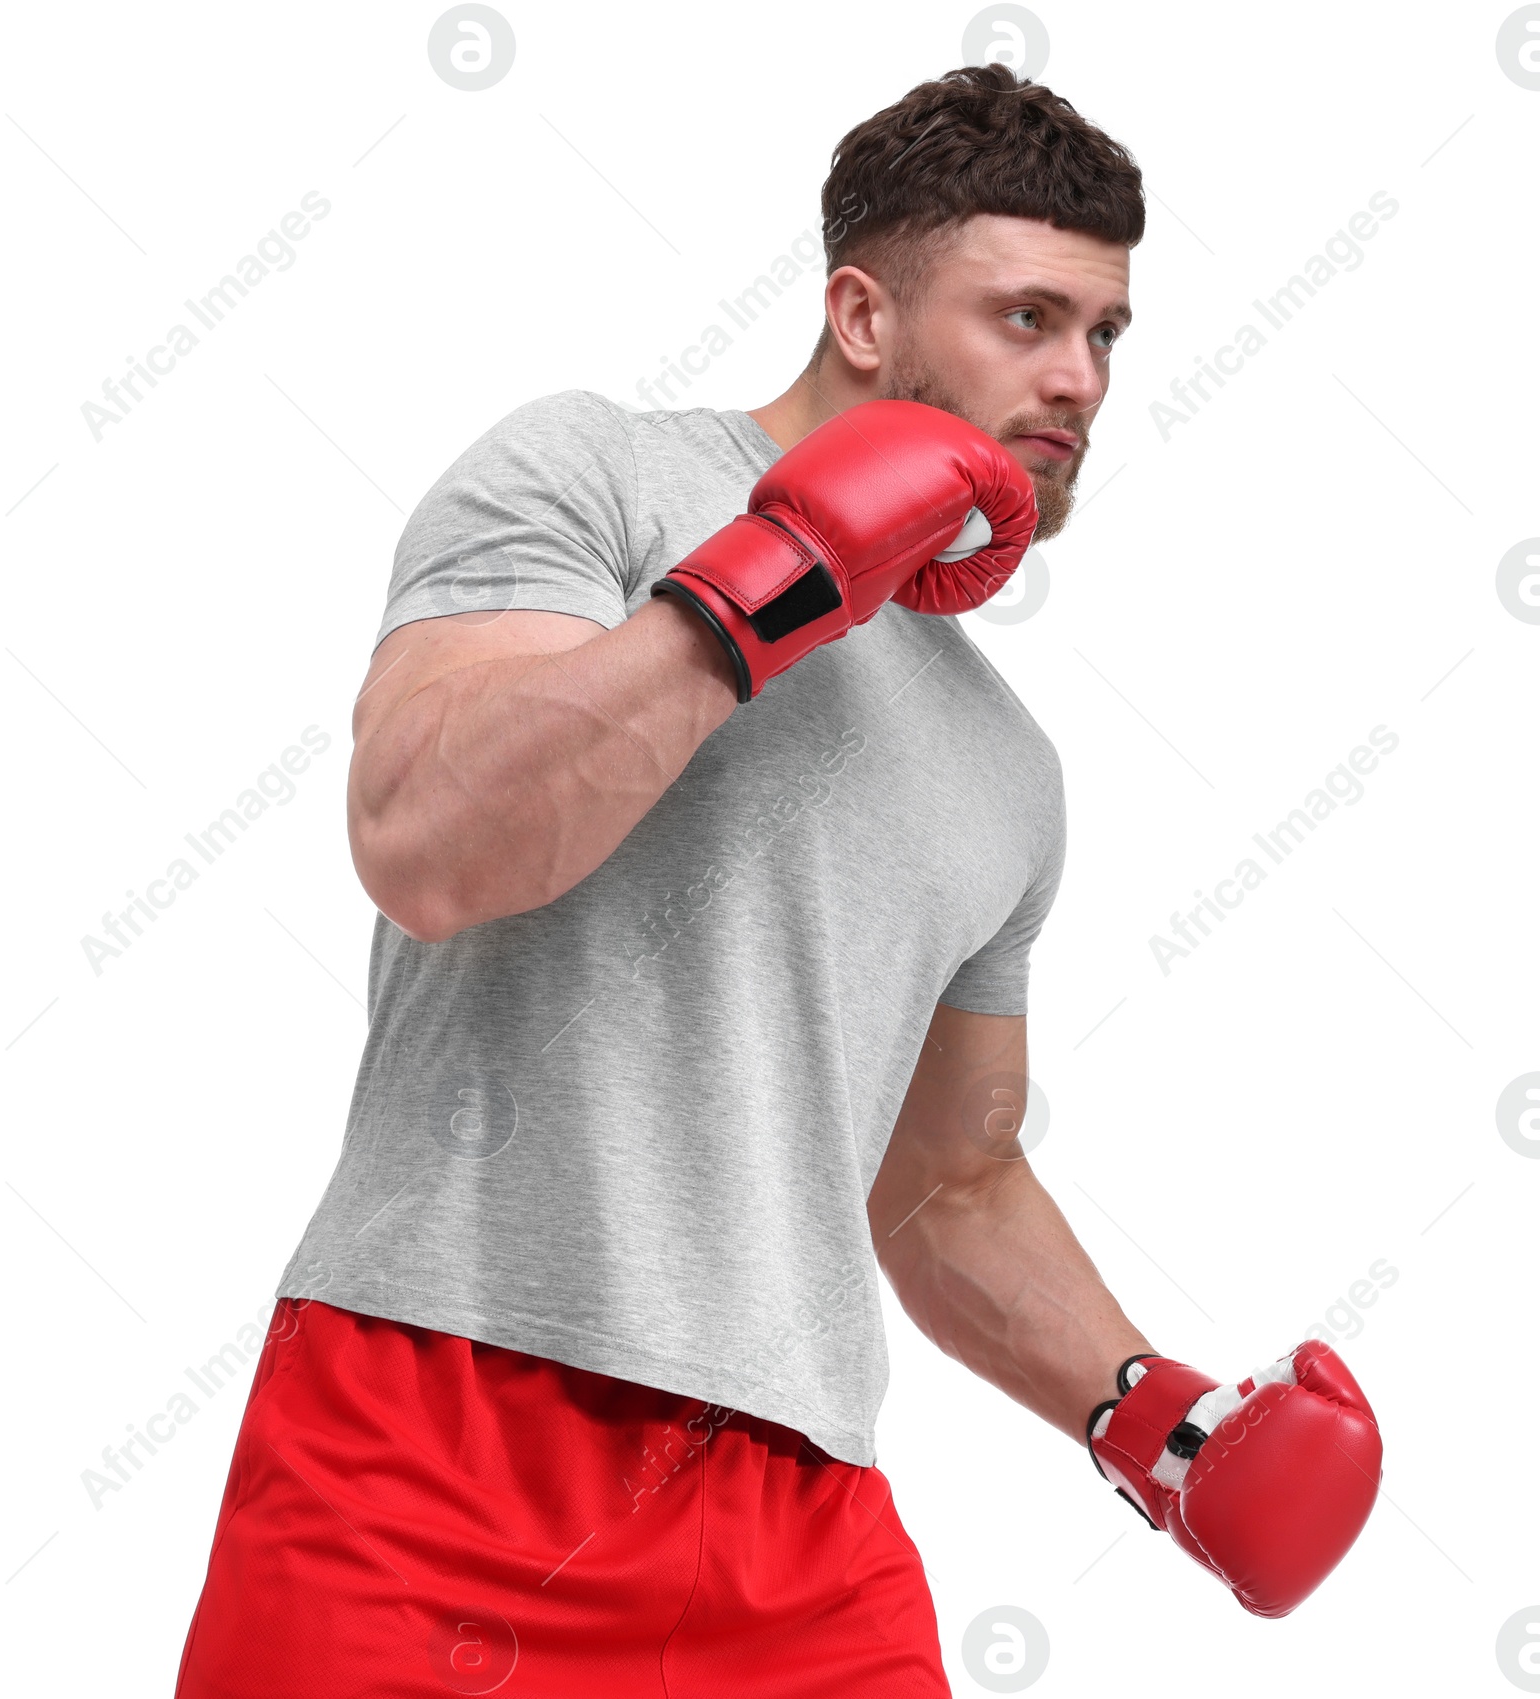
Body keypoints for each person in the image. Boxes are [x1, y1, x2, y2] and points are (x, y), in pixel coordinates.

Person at [173, 62, 1380, 1698]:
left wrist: (1151, 1414)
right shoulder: (595, 476)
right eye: (1027, 317)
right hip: (440, 1426)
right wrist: (760, 588)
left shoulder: (1006, 767)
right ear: (862, 315)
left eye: (1104, 334)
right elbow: (427, 844)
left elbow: (945, 1180)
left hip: (797, 1507)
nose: (1081, 378)